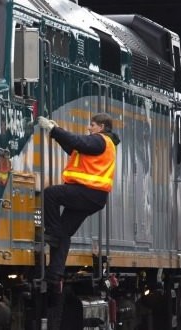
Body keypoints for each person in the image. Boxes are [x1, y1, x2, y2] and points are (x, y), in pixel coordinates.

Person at [36, 113, 120, 294]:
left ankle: (52, 232)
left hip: (88, 192)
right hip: (93, 197)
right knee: (64, 233)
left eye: (92, 125)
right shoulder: (100, 145)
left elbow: (78, 142)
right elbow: (73, 147)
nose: (89, 128)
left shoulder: (101, 140)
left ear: (102, 127)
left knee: (50, 194)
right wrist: (55, 132)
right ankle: (54, 275)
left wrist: (54, 130)